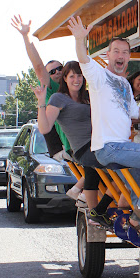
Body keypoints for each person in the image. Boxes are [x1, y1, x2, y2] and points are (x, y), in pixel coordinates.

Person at [68, 16, 140, 227]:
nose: (120, 55)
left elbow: (136, 112)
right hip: (110, 147)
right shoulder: (98, 76)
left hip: (123, 147)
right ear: (108, 55)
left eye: (125, 52)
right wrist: (80, 39)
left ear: (128, 58)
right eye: (116, 51)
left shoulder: (124, 83)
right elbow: (83, 58)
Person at [33, 61, 117, 227]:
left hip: (99, 143)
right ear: (65, 78)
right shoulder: (58, 97)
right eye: (72, 76)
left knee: (117, 171)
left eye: (79, 75)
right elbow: (44, 127)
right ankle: (97, 208)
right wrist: (41, 101)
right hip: (81, 147)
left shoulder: (88, 96)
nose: (76, 79)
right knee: (122, 167)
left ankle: (97, 206)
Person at [11, 14, 84, 199]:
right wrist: (26, 37)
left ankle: (89, 206)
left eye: (61, 68)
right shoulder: (53, 91)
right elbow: (37, 65)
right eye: (52, 71)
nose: (58, 72)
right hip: (75, 145)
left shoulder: (79, 88)